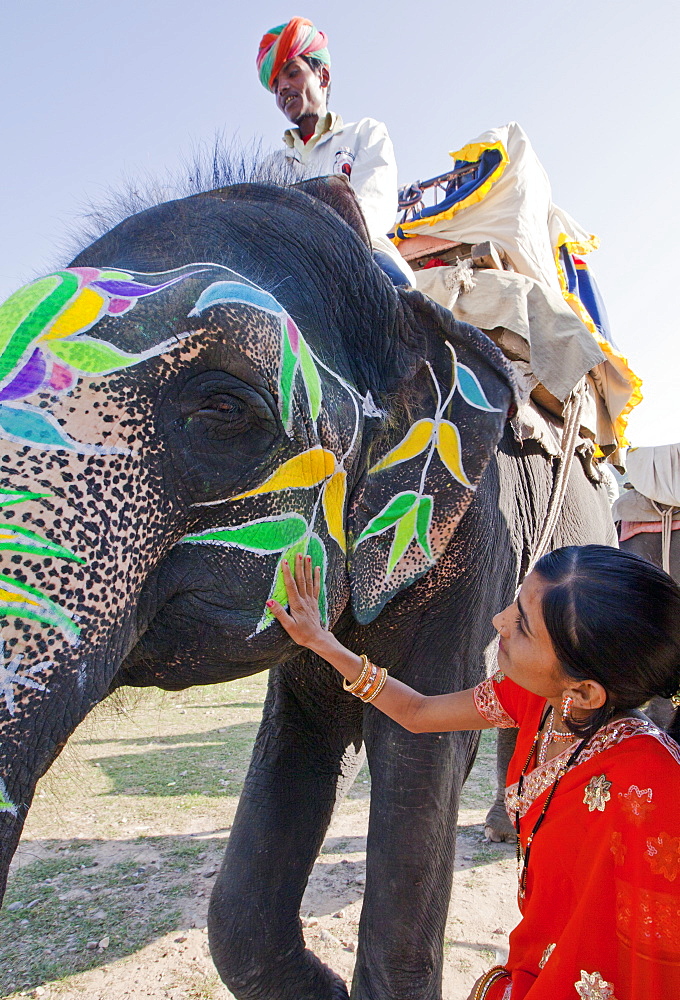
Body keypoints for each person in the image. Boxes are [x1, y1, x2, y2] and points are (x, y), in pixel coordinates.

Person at [267, 545, 680, 999]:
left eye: (522, 625)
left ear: (583, 692)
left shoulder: (651, 786)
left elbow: (654, 955)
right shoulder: (536, 700)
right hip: (535, 960)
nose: (499, 621)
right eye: (515, 604)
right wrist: (322, 642)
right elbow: (418, 711)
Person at [256, 16, 414, 286]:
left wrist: (319, 244)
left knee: (392, 285)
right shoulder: (269, 167)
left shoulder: (365, 133)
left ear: (323, 76)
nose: (282, 88)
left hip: (364, 258)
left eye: (292, 72)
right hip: (291, 273)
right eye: (275, 85)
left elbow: (374, 207)